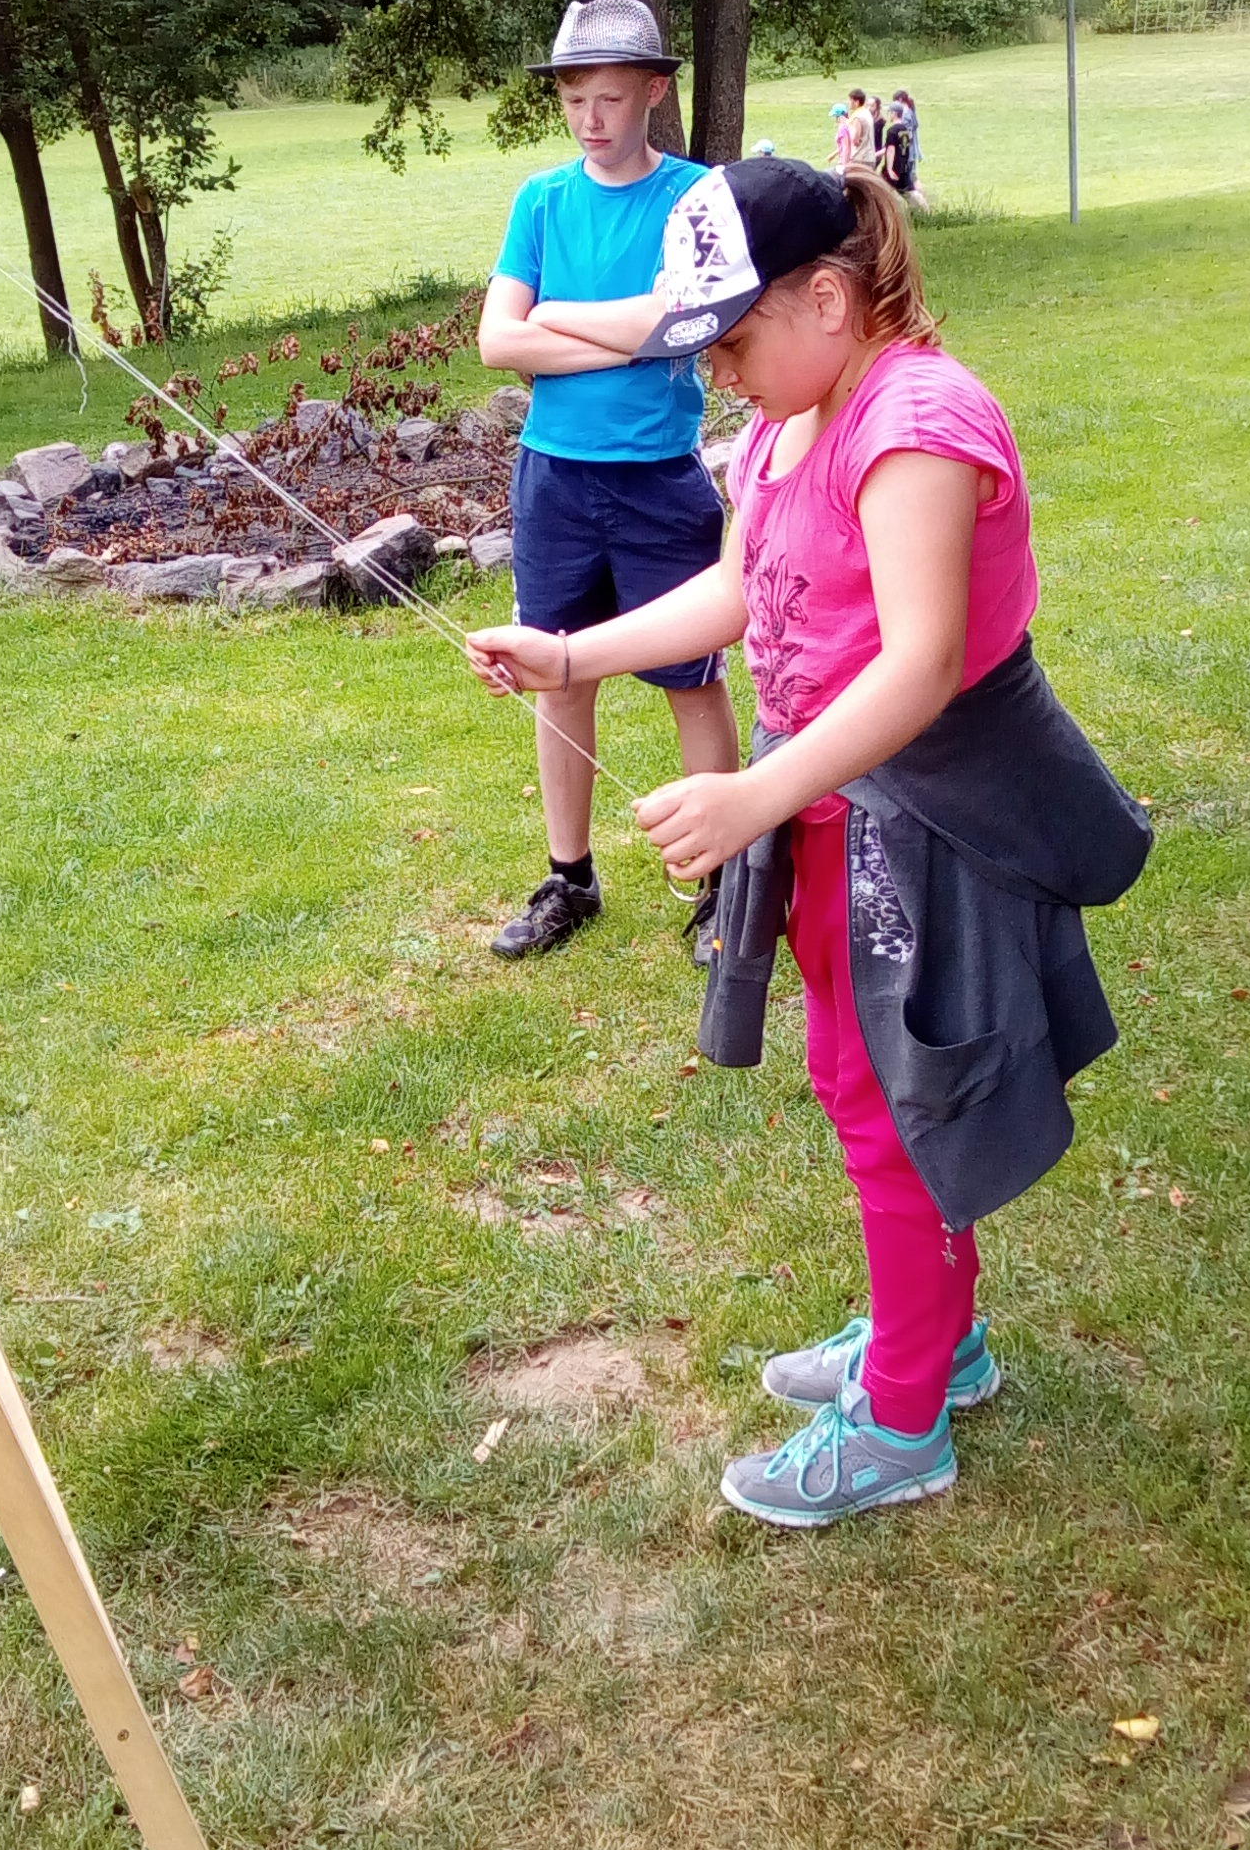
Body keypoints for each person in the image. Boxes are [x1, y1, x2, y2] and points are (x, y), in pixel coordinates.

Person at [468, 159, 1149, 1527]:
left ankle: (902, 1422)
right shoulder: (788, 421)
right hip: (837, 813)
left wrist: (753, 795)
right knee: (861, 1081)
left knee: (900, 1097)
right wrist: (569, 653)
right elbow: (737, 588)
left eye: (730, 338)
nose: (715, 371)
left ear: (828, 300)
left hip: (927, 819)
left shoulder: (915, 423)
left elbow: (923, 664)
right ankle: (936, 1340)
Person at [477, 0, 739, 959]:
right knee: (559, 677)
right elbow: (497, 341)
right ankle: (569, 878)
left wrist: (558, 322)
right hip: (553, 479)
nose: (591, 119)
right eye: (574, 98)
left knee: (691, 680)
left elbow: (691, 323)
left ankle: (723, 886)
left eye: (612, 98)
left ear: (655, 93)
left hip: (658, 478)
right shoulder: (541, 201)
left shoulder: (695, 197)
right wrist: (632, 333)